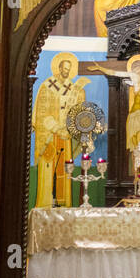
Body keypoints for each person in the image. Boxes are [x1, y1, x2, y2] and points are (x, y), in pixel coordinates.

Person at [33, 54, 89, 208]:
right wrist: (56, 128)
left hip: (65, 137)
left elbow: (78, 111)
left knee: (65, 169)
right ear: (58, 68)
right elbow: (42, 114)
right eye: (64, 69)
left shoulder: (73, 88)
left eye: (68, 70)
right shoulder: (47, 86)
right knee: (47, 170)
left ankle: (64, 205)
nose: (66, 72)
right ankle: (45, 204)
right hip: (50, 137)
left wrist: (81, 98)